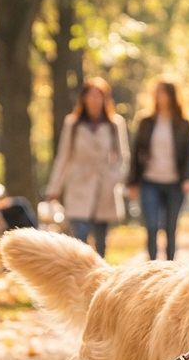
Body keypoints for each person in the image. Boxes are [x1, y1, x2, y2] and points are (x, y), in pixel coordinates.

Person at [47, 77, 130, 258]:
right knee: (80, 236)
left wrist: (115, 178)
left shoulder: (114, 124)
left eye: (98, 96)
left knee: (101, 240)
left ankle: (99, 280)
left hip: (104, 185)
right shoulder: (73, 124)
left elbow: (123, 157)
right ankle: (80, 278)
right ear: (83, 98)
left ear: (105, 99)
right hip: (79, 183)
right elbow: (63, 157)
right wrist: (54, 188)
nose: (94, 100)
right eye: (90, 95)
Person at [128, 79, 189, 260]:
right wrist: (132, 181)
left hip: (175, 182)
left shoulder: (183, 123)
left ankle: (170, 265)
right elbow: (136, 153)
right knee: (151, 224)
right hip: (150, 180)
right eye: (157, 92)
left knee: (170, 227)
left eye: (163, 92)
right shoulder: (146, 122)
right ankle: (152, 265)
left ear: (172, 96)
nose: (159, 96)